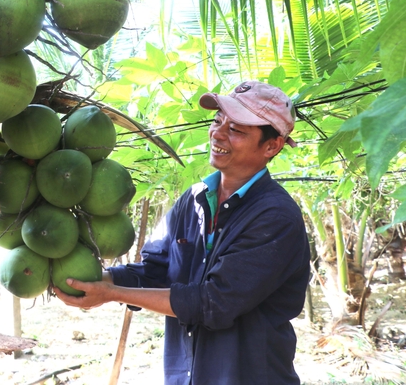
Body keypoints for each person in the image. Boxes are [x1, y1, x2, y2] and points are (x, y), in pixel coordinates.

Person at [55, 81, 310, 385]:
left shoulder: (275, 216)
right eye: (218, 121)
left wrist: (111, 294)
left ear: (272, 145)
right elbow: (156, 269)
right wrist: (100, 280)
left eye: (237, 130)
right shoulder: (194, 200)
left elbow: (214, 303)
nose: (217, 133)